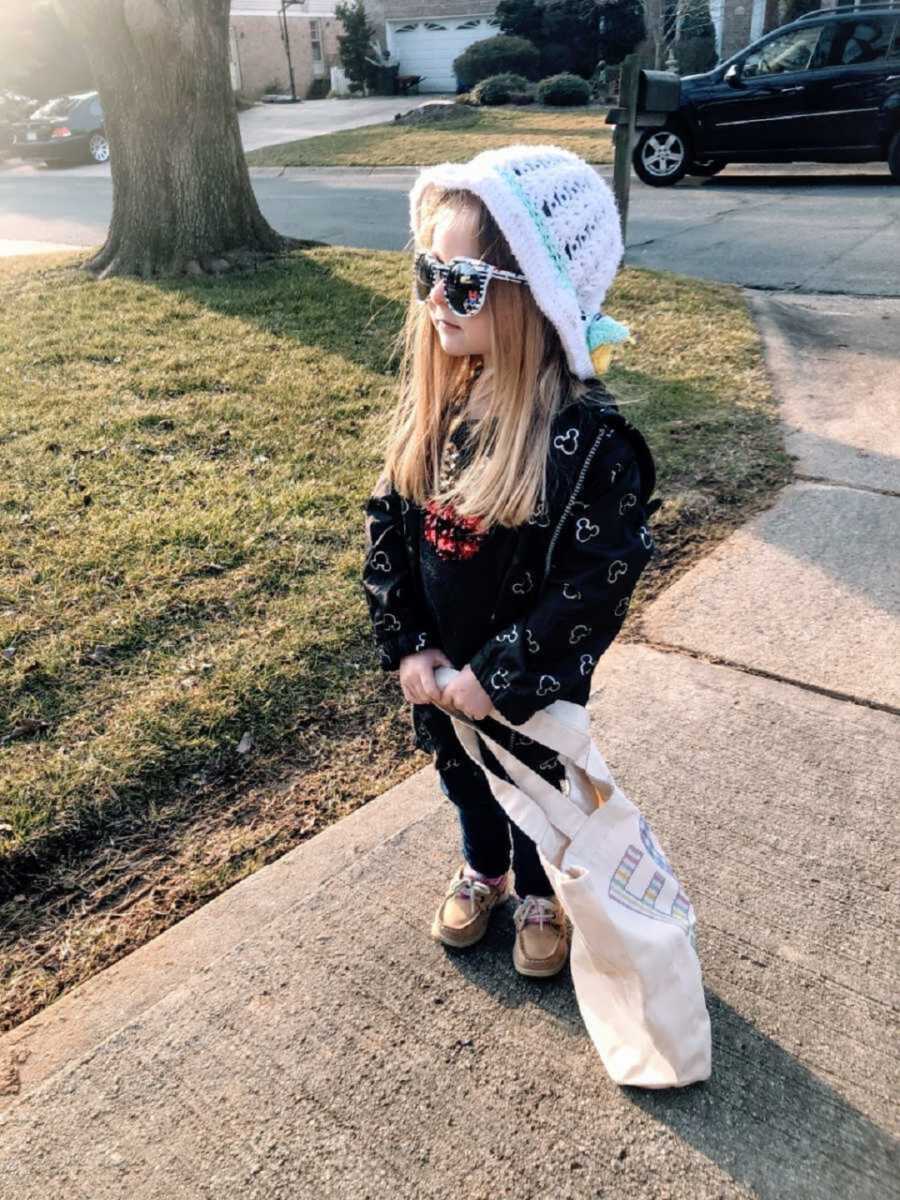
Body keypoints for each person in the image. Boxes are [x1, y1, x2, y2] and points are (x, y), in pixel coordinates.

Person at [361, 145, 660, 979]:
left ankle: (538, 888)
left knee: (537, 793)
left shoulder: (589, 445)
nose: (435, 303)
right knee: (462, 777)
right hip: (443, 674)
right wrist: (410, 643)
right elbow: (388, 525)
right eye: (429, 273)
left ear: (540, 295)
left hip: (525, 687)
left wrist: (500, 672)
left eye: (461, 284)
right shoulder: (445, 402)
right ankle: (484, 869)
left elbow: (593, 587)